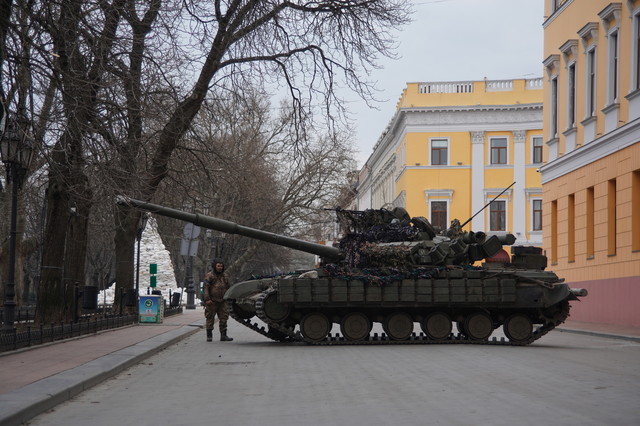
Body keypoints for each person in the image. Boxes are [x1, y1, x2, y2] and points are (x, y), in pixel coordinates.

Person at [203, 259, 233, 342]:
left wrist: (229, 297)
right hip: (212, 300)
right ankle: (209, 335)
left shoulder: (225, 276)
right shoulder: (210, 275)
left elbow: (228, 287)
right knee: (210, 318)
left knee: (224, 318)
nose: (220, 268)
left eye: (221, 266)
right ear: (215, 266)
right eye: (218, 266)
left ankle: (223, 335)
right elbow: (206, 288)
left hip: (223, 300)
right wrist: (207, 299)